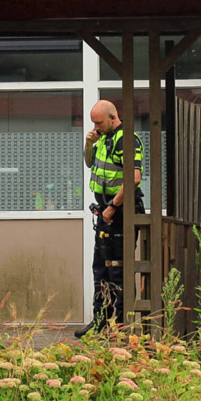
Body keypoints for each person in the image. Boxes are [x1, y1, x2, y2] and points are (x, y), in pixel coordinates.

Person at [74, 100, 145, 337]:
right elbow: (89, 163)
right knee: (101, 268)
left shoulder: (126, 140)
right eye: (93, 123)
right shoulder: (103, 138)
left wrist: (114, 206)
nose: (96, 126)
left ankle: (123, 326)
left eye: (99, 122)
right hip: (105, 211)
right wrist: (88, 143)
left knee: (118, 269)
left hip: (121, 210)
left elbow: (133, 179)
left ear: (113, 117)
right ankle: (100, 322)